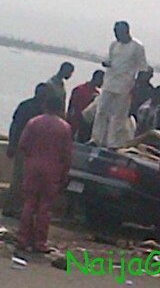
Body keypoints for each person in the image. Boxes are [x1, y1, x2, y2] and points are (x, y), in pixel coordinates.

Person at [17, 97, 72, 252]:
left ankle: (23, 238)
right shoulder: (65, 128)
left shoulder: (34, 122)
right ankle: (40, 242)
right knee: (45, 207)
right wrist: (64, 173)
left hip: (33, 167)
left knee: (29, 203)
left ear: (45, 105)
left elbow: (23, 145)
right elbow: (67, 154)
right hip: (53, 169)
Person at [91, 21, 148, 148]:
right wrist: (106, 64)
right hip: (109, 82)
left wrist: (136, 86)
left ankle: (112, 142)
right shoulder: (113, 45)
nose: (116, 35)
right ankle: (96, 138)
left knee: (118, 115)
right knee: (101, 111)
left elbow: (143, 68)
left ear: (126, 31)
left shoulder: (137, 46)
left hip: (125, 85)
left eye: (118, 32)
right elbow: (110, 60)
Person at [3, 83, 49, 218]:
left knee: (28, 182)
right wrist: (12, 145)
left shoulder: (42, 109)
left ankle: (20, 209)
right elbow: (15, 125)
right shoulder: (28, 106)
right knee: (18, 180)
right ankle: (11, 208)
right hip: (23, 149)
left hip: (35, 152)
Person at [67, 70, 104, 138]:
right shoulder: (79, 90)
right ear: (97, 78)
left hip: (87, 127)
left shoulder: (97, 94)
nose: (103, 83)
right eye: (102, 80)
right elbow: (71, 109)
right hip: (75, 124)